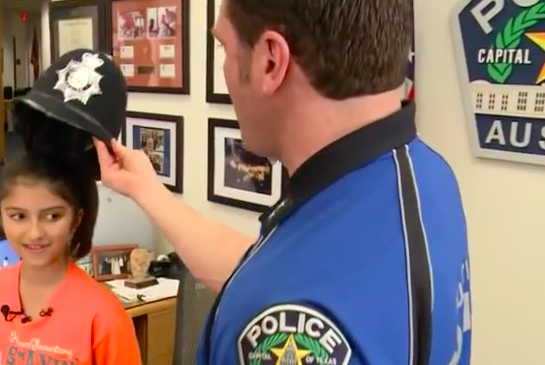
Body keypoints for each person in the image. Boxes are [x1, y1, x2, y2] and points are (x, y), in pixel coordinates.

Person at [92, 0, 471, 364]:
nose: (224, 65)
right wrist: (147, 190)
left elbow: (282, 293)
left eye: (224, 46)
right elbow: (263, 269)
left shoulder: (287, 325)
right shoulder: (425, 178)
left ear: (270, 61)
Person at [0, 154, 141, 365]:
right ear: (0, 217)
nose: (35, 233)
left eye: (52, 216)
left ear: (76, 219)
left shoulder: (104, 315)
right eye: (19, 216)